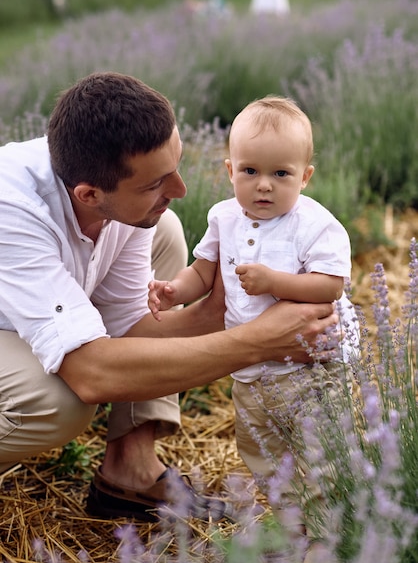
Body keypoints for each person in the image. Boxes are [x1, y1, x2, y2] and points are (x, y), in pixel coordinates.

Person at [0, 74, 338, 524]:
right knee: (55, 402)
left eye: (175, 167)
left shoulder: (111, 193)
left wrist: (221, 309)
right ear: (89, 194)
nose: (180, 190)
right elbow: (93, 374)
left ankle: (130, 469)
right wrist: (258, 341)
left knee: (164, 229)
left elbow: (130, 330)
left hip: (26, 309)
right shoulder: (14, 211)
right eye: (156, 182)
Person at [148, 95, 359, 533]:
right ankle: (294, 525)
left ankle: (329, 533)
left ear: (305, 177)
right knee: (261, 452)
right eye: (250, 171)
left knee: (320, 453)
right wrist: (175, 291)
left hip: (308, 370)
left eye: (281, 174)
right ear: (230, 171)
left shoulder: (315, 225)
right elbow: (204, 270)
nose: (264, 185)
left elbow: (330, 285)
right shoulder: (224, 217)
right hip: (250, 374)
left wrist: (274, 283)